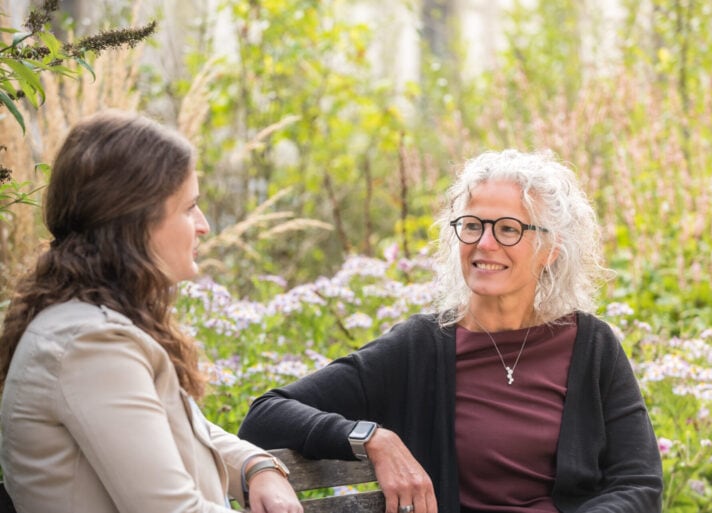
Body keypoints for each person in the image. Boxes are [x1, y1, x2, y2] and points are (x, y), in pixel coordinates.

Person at [238, 149, 663, 513]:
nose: (484, 243)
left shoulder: (592, 347)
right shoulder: (421, 348)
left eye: (509, 229)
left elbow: (638, 483)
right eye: (473, 225)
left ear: (551, 250)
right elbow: (266, 415)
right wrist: (372, 438)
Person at [0, 110, 302, 513]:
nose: (204, 225)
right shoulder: (91, 346)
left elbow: (175, 431)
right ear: (136, 220)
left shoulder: (90, 322)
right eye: (189, 207)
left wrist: (254, 464)